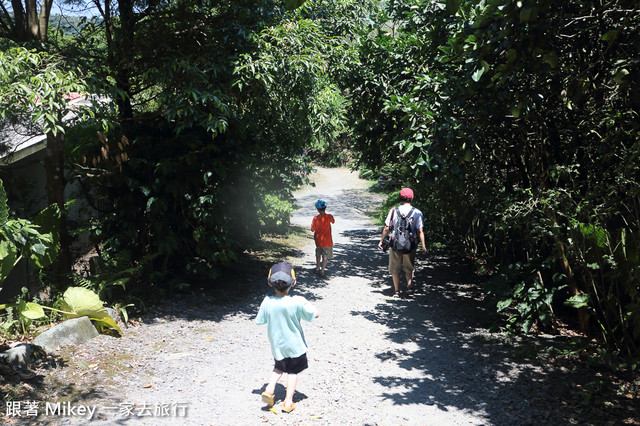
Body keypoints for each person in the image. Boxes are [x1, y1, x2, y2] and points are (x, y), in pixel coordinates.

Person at [256, 261, 319, 413]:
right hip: (294, 346)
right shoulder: (297, 301)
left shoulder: (267, 302)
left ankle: (269, 390)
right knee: (292, 371)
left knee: (278, 368)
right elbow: (314, 314)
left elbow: (260, 320)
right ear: (293, 282)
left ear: (270, 283)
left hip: (277, 346)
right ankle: (288, 402)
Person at [377, 187, 427, 297]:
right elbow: (420, 230)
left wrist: (381, 241)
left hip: (395, 243)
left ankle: (396, 291)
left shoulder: (394, 210)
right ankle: (409, 286)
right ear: (412, 198)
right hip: (410, 243)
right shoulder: (417, 212)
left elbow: (386, 228)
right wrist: (423, 245)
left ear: (400, 198)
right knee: (409, 266)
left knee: (395, 268)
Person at [310, 199, 335, 278]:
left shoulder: (316, 218)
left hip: (318, 240)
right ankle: (322, 271)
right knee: (325, 256)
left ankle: (317, 268)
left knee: (318, 254)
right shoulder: (329, 217)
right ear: (325, 207)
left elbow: (312, 229)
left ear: (317, 209)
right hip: (327, 241)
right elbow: (333, 221)